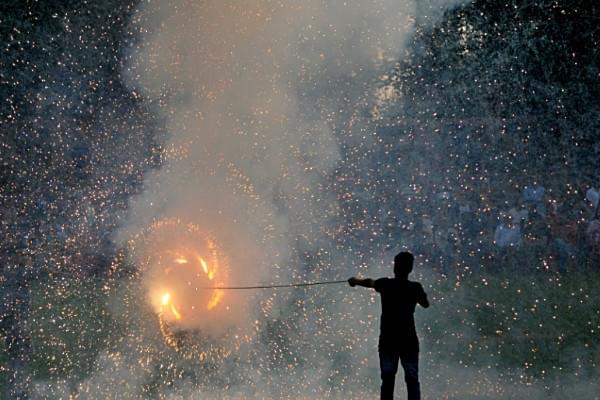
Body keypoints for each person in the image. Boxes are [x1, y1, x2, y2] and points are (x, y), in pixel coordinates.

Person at [348, 252, 429, 400]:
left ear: (395, 267)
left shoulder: (386, 284)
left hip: (388, 340)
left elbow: (369, 282)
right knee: (412, 379)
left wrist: (354, 280)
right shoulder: (415, 287)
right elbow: (425, 304)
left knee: (388, 378)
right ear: (410, 268)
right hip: (408, 340)